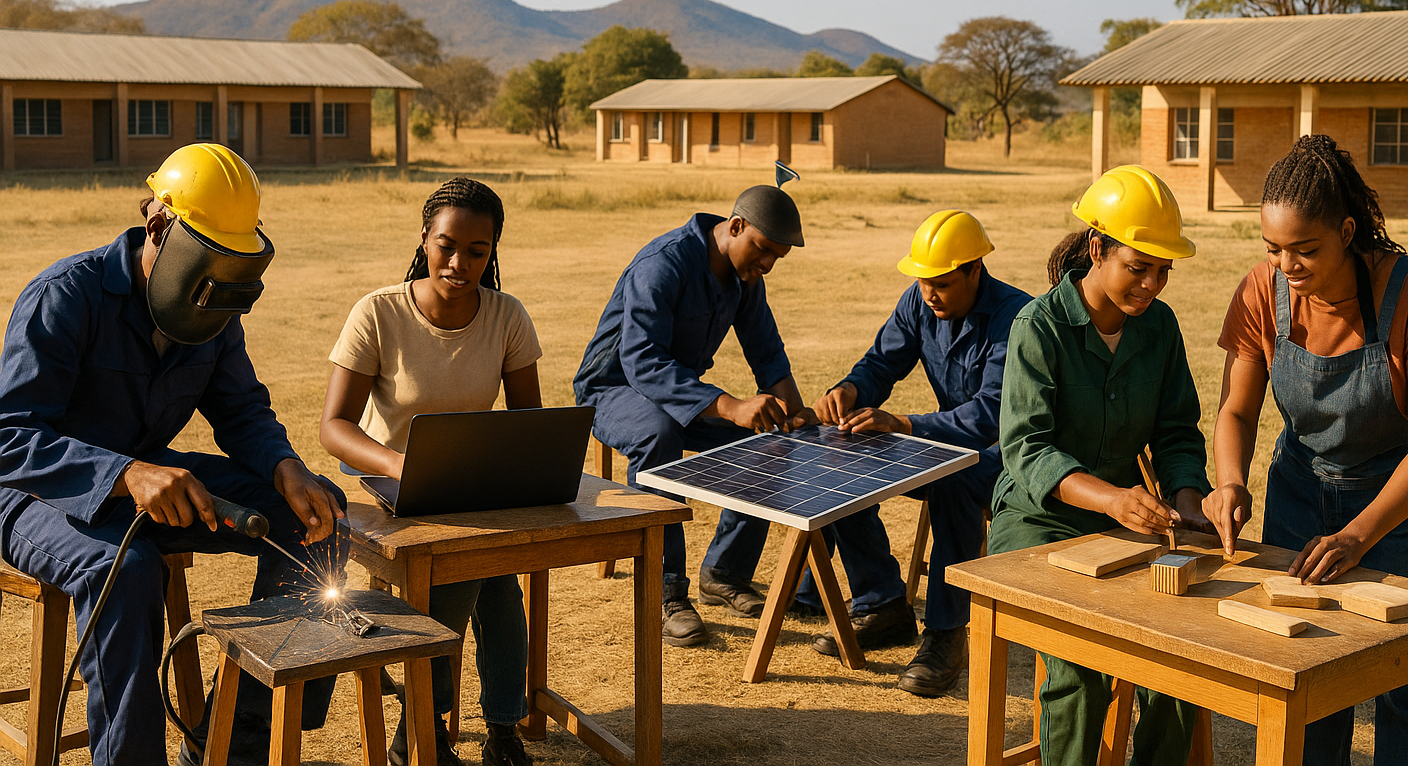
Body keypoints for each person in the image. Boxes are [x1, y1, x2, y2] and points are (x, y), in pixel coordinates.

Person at [0, 143, 346, 766]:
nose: (218, 283)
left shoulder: (211, 310)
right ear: (160, 226)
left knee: (317, 516)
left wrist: (286, 467)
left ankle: (232, 745)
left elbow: (240, 410)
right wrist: (124, 474)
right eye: (207, 260)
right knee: (125, 572)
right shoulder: (66, 295)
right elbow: (10, 437)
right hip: (35, 494)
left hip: (147, 476)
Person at [1203, 135, 1408, 766]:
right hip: (1303, 493)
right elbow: (1236, 410)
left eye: (1306, 250)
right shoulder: (1259, 292)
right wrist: (1230, 483)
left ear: (1348, 231)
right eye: (1273, 250)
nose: (1287, 267)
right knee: (1307, 678)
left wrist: (1357, 536)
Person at [991, 165, 1209, 766]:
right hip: (1038, 523)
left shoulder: (1159, 329)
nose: (1152, 286)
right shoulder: (1038, 328)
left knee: (1186, 659)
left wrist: (1189, 504)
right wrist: (1113, 498)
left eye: (1163, 271)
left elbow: (1176, 433)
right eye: (1138, 267)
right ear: (1096, 248)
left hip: (1125, 525)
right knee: (1081, 667)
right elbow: (1027, 450)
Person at [321, 177, 540, 766]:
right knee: (482, 569)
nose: (460, 263)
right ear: (424, 239)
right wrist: (399, 461)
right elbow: (334, 427)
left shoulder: (507, 316)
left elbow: (530, 424)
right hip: (388, 481)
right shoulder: (378, 311)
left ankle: (433, 729)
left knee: (486, 570)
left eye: (478, 251)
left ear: (493, 251)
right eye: (447, 245)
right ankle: (466, 728)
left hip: (472, 483)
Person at [573, 184, 813, 646]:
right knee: (659, 434)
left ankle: (725, 571)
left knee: (768, 438)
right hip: (612, 390)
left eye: (776, 258)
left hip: (684, 393)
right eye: (762, 250)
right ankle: (664, 593)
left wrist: (797, 416)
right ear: (736, 226)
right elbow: (642, 361)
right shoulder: (664, 263)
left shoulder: (745, 280)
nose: (766, 265)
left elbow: (768, 355)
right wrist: (730, 406)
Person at [808, 209, 1031, 696]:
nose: (930, 293)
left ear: (976, 269)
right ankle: (883, 602)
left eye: (943, 283)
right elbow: (880, 363)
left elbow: (991, 415)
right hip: (951, 446)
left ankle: (948, 635)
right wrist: (850, 389)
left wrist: (904, 424)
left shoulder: (1017, 318)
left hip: (1018, 461)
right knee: (846, 453)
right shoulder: (919, 300)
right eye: (924, 281)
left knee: (954, 481)